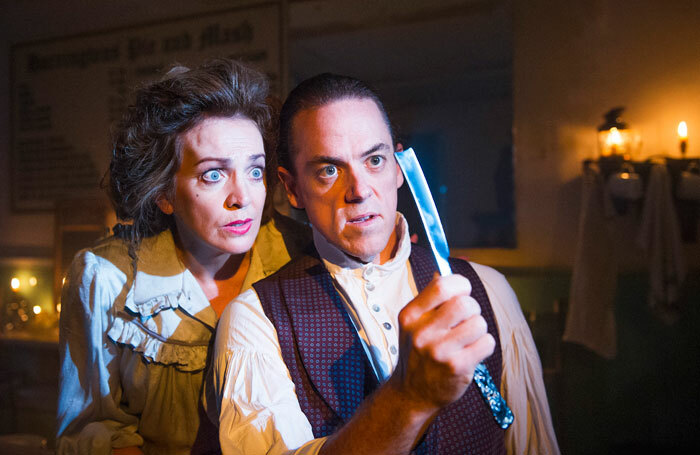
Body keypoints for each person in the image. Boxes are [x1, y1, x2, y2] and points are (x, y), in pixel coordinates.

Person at [210, 73, 560, 454]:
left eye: (374, 160)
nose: (359, 190)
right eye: (329, 170)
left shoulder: (487, 289)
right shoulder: (255, 321)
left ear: (398, 168)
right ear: (292, 188)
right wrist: (409, 397)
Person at [56, 59, 310, 455]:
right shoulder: (106, 278)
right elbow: (90, 428)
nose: (242, 198)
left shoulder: (299, 256)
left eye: (255, 171)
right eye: (213, 174)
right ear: (164, 194)